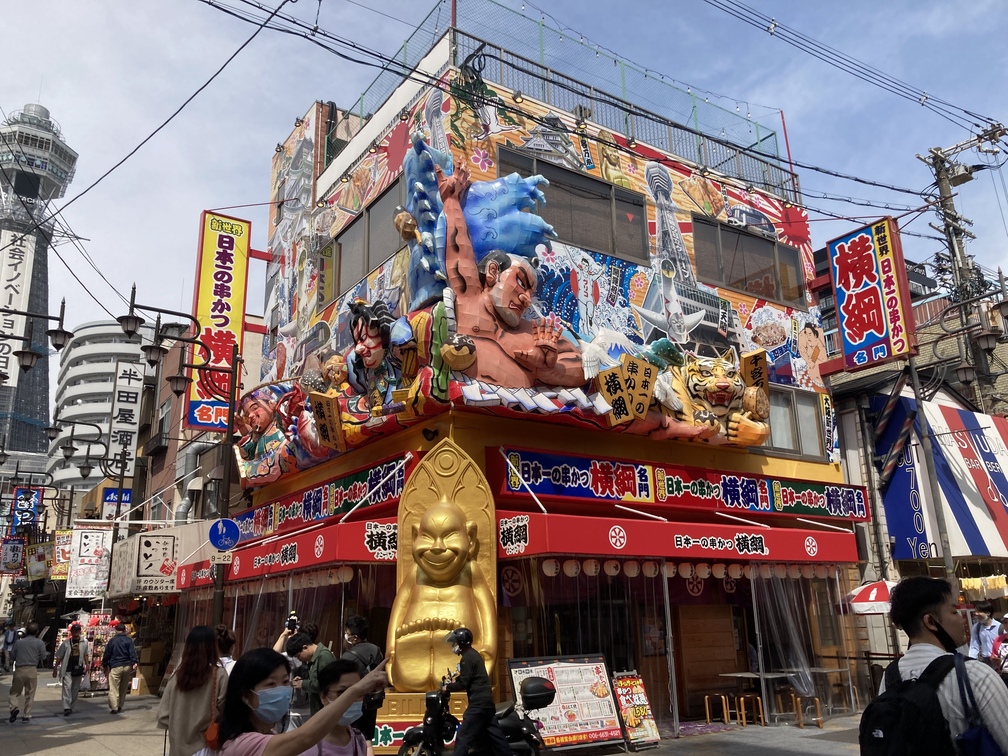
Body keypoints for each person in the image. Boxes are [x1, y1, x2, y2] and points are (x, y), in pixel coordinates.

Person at [879, 576, 1008, 751]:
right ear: (931, 622)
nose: (963, 619)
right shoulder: (975, 675)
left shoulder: (889, 678)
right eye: (954, 611)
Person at [218, 648, 387, 756]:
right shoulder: (243, 745)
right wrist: (356, 690)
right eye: (271, 684)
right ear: (246, 695)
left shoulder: (272, 735)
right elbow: (304, 738)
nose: (282, 691)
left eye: (285, 682)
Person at [158, 625, 229, 756]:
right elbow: (226, 711)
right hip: (204, 747)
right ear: (213, 647)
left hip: (177, 749)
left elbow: (163, 716)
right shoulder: (219, 676)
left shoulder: (176, 677)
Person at [442, 628, 509, 756]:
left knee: (463, 736)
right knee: (496, 737)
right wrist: (454, 681)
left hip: (478, 704)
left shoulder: (467, 658)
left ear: (462, 643)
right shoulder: (473, 655)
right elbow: (467, 677)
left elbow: (464, 683)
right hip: (486, 702)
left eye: (456, 642)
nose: (454, 645)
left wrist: (448, 687)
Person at [313, 659, 376, 756]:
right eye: (342, 693)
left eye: (358, 693)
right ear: (323, 696)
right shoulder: (309, 745)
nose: (351, 699)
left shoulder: (359, 740)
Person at [340, 616, 382, 740]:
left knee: (353, 738)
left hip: (354, 703)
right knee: (367, 740)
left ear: (355, 637)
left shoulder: (348, 656)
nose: (346, 636)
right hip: (372, 700)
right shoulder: (376, 650)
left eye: (347, 634)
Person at [286, 631, 337, 716]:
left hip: (326, 712)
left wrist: (302, 684)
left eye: (298, 656)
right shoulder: (315, 659)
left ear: (305, 648)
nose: (299, 659)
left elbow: (325, 685)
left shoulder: (324, 657)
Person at [9, 621, 47, 722]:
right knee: (30, 693)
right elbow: (44, 656)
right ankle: (26, 714)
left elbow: (12, 656)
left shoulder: (19, 642)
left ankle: (14, 708)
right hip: (32, 669)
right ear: (37, 632)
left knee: (14, 692)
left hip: (19, 669)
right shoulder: (40, 643)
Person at [54, 622, 91, 715]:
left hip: (78, 667)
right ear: (71, 632)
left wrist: (87, 665)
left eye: (77, 631)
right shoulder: (66, 643)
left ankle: (71, 706)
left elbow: (86, 654)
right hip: (67, 667)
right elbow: (59, 656)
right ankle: (66, 707)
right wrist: (55, 668)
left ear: (79, 631)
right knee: (67, 687)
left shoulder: (84, 642)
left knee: (75, 688)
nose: (75, 633)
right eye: (74, 631)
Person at [102, 618, 138, 714]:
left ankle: (114, 707)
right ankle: (120, 705)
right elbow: (132, 652)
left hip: (115, 665)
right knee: (123, 686)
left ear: (116, 630)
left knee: (114, 687)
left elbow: (107, 654)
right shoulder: (129, 640)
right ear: (125, 630)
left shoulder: (112, 641)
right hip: (127, 666)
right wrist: (134, 662)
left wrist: (104, 664)